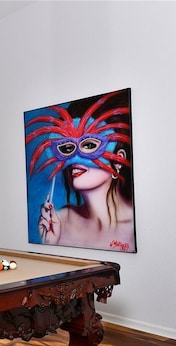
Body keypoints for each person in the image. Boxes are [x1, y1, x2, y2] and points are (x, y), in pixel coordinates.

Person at [26, 89, 136, 252]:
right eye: (67, 148)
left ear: (118, 160)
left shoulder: (134, 227)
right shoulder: (59, 222)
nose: (74, 159)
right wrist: (50, 245)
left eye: (90, 145)